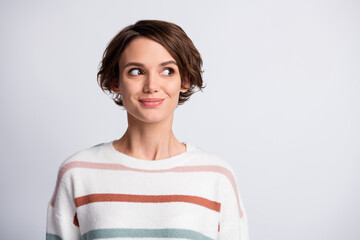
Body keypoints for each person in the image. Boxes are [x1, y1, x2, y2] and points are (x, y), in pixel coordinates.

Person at [46, 19, 249, 240]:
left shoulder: (216, 176)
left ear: (186, 80)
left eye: (167, 71)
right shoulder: (78, 173)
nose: (151, 85)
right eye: (136, 71)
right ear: (116, 81)